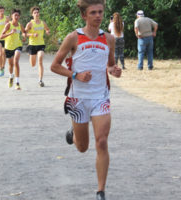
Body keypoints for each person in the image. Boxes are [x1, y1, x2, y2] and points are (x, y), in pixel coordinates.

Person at [50, 0, 122, 199]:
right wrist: (75, 75)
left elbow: (109, 65)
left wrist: (113, 70)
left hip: (100, 97)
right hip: (78, 99)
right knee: (82, 147)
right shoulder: (73, 38)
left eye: (100, 12)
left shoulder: (108, 39)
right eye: (93, 12)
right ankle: (74, 134)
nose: (98, 16)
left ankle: (101, 191)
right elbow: (55, 66)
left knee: (102, 142)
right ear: (84, 15)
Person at [0, 9, 26, 90]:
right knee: (11, 65)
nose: (17, 17)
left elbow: (24, 31)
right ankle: (11, 76)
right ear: (12, 16)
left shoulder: (20, 25)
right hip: (8, 47)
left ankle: (17, 83)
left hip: (18, 45)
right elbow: (1, 36)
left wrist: (24, 36)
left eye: (18, 15)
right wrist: (10, 33)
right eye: (15, 15)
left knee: (16, 61)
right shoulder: (8, 25)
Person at [25, 6, 50, 87]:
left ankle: (40, 80)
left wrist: (47, 31)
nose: (36, 14)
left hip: (41, 44)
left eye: (37, 12)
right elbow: (24, 33)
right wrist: (32, 34)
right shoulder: (30, 24)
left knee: (40, 60)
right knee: (33, 64)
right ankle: (29, 54)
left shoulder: (43, 23)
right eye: (35, 13)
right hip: (32, 45)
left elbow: (47, 29)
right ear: (32, 14)